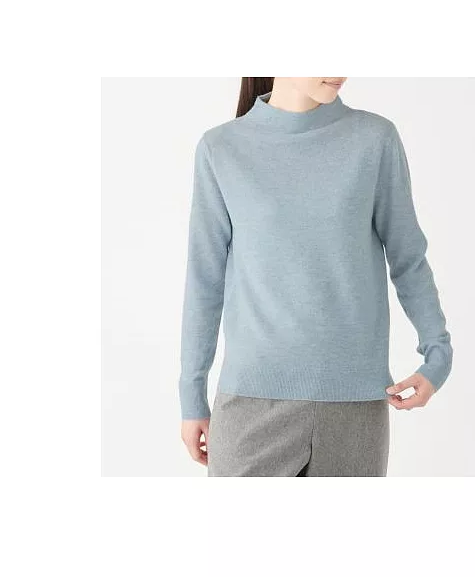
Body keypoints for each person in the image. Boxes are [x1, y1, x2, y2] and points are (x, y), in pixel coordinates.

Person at [179, 77, 453, 476]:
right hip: (250, 405)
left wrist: (438, 354)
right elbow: (204, 280)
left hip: (354, 408)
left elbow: (408, 258)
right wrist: (192, 396)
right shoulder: (221, 148)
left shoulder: (374, 140)